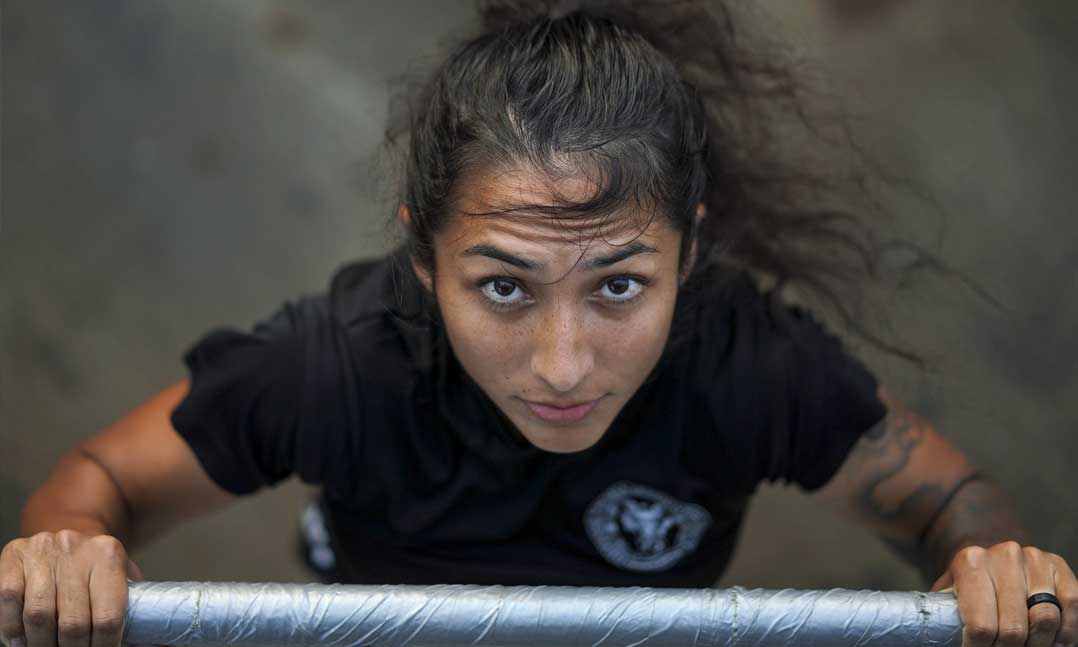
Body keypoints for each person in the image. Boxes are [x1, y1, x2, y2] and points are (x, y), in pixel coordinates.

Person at [2, 3, 1075, 647]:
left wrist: (984, 563)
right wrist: (74, 554)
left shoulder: (749, 368)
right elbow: (103, 481)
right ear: (423, 256)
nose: (562, 365)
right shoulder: (338, 366)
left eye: (617, 286)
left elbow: (957, 508)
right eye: (504, 286)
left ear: (689, 253)